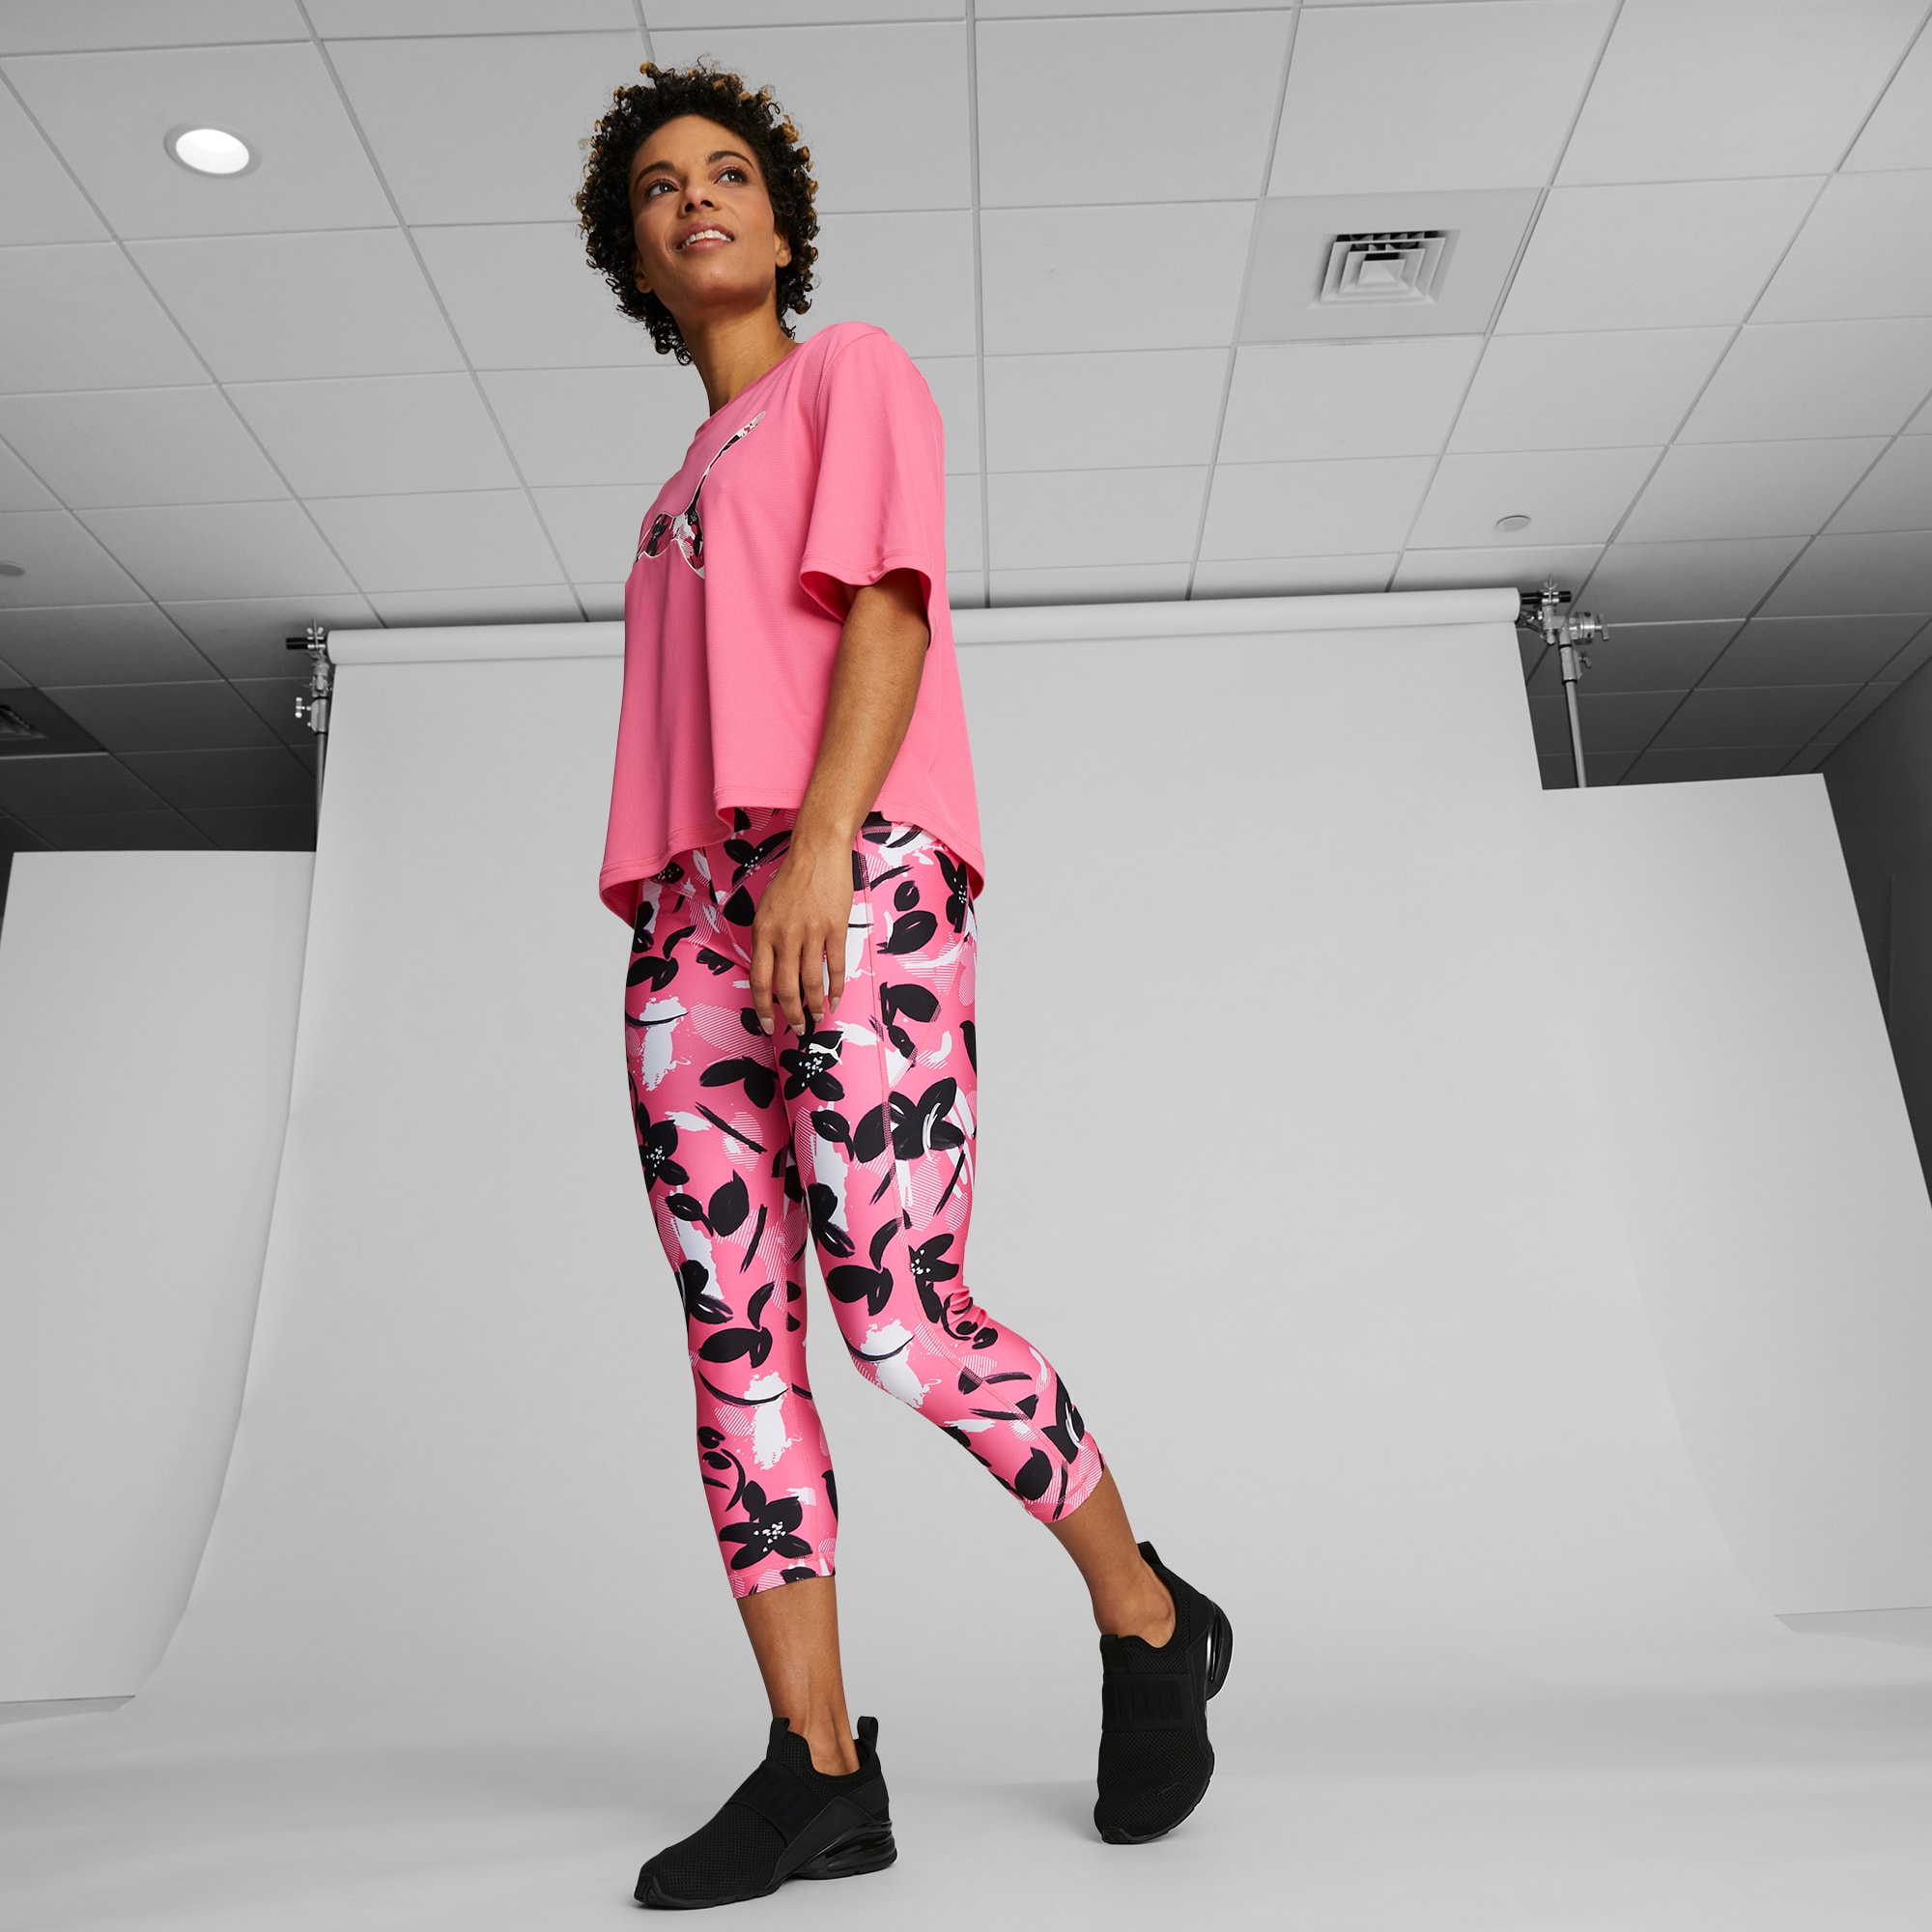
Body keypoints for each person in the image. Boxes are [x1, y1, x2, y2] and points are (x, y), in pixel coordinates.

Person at [577, 60, 1233, 1911]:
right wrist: (682, 925)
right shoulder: (667, 497)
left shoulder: (846, 373)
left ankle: (1150, 1616)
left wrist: (820, 849)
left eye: (726, 172)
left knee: (894, 1316)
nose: (695, 198)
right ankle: (818, 1769)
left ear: (781, 222)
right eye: (657, 186)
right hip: (689, 924)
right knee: (734, 1347)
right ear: (634, 254)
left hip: (845, 871)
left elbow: (889, 604)